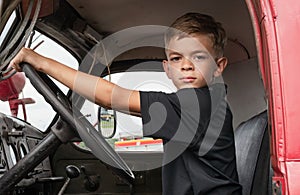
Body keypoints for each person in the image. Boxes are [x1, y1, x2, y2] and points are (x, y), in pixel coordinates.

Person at [11, 13, 242, 194]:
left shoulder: (200, 105)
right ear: (167, 69)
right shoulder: (205, 104)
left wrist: (39, 61)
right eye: (176, 58)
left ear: (218, 66)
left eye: (199, 57)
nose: (186, 65)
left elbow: (110, 95)